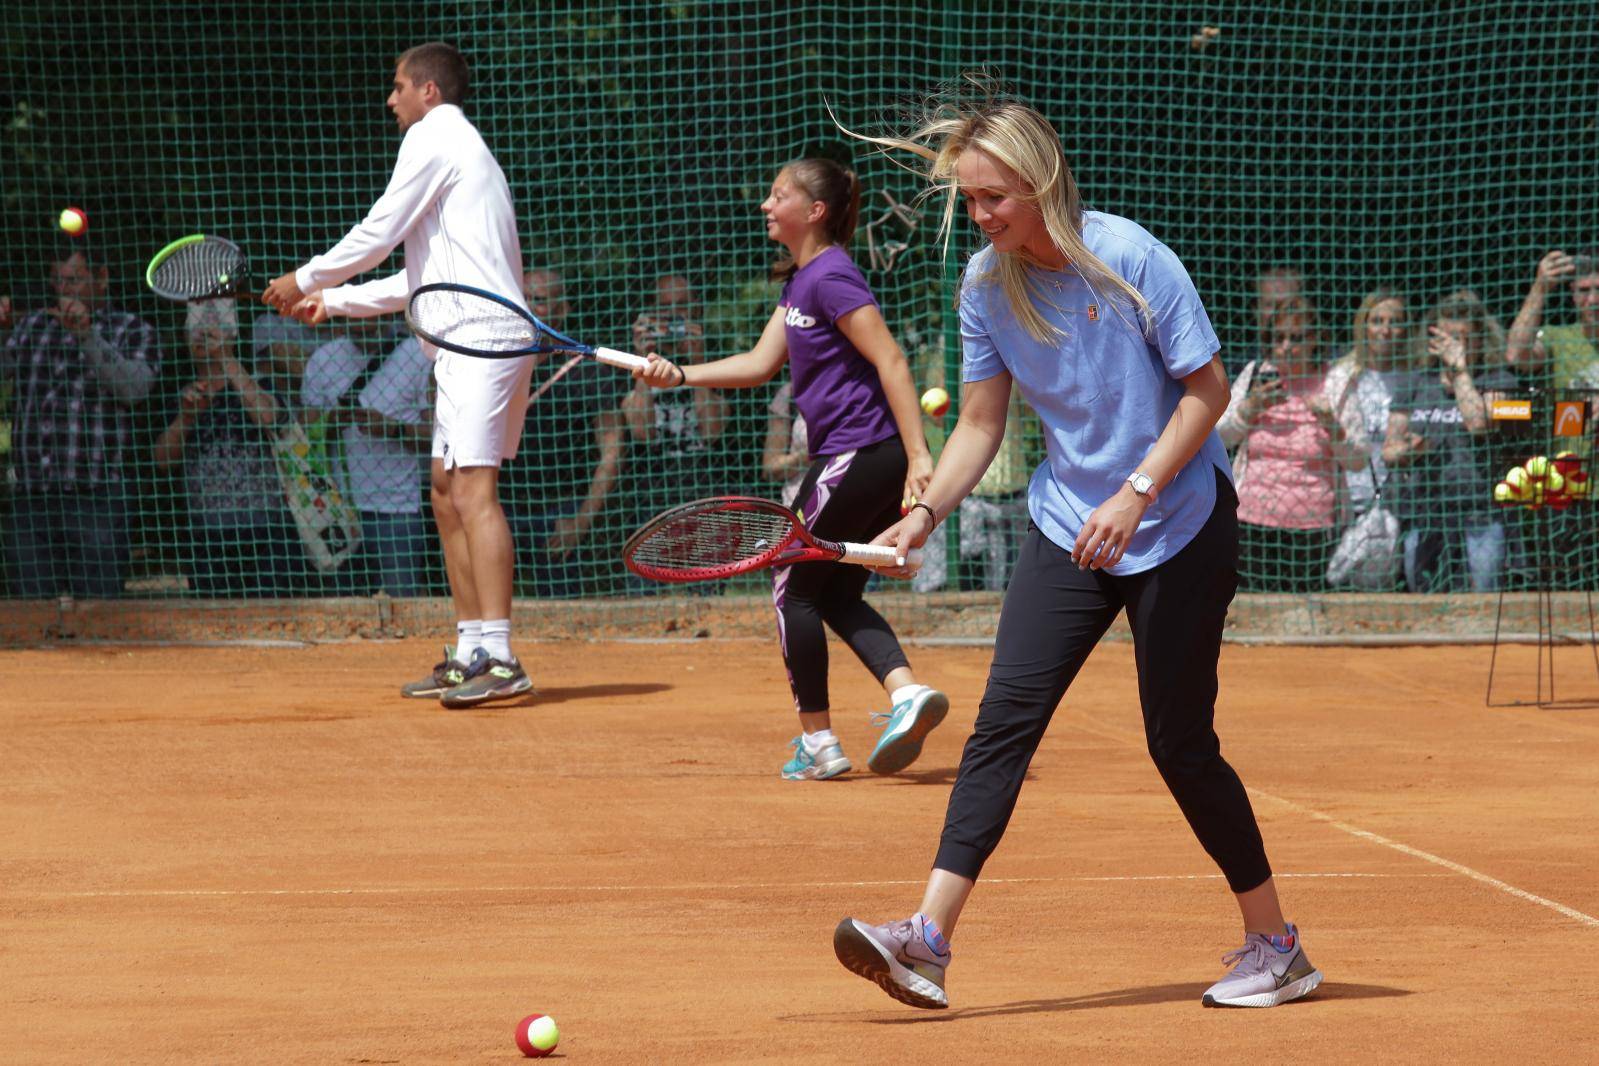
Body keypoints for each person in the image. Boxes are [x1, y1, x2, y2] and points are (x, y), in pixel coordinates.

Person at [830, 90, 1323, 1011]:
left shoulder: (1131, 258)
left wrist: (1136, 493)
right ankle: (927, 940)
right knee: (1003, 721)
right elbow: (979, 424)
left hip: (1176, 522)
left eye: (993, 199)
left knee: (1179, 743)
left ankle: (1276, 946)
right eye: (970, 202)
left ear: (1039, 180)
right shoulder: (986, 283)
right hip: (1068, 524)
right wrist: (926, 511)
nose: (980, 217)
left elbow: (1205, 394)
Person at [632, 157, 948, 780]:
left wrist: (918, 455)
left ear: (815, 211)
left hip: (861, 451)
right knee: (832, 592)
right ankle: (906, 692)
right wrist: (679, 372)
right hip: (858, 454)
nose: (766, 206)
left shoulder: (832, 275)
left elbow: (892, 361)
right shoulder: (801, 281)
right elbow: (757, 364)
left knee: (787, 579)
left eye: (779, 196)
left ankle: (821, 744)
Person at [261, 41, 534, 707]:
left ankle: (499, 656)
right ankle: (471, 645)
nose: (391, 99)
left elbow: (378, 232)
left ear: (428, 92)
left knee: (472, 491)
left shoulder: (435, 136)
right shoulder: (456, 153)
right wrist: (335, 301)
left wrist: (304, 277)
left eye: (397, 86)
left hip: (481, 338)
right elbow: (415, 278)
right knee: (444, 491)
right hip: (467, 336)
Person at [3, 248, 159, 598]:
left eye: (73, 279)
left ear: (101, 278)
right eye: (57, 280)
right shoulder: (33, 325)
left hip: (97, 497)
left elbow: (134, 389)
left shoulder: (131, 328)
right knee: (33, 613)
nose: (63, 288)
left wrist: (87, 335)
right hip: (32, 498)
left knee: (101, 614)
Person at [1217, 296, 1366, 592]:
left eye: (1296, 338)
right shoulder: (1256, 373)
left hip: (1314, 523)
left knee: (1303, 606)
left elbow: (1358, 460)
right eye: (1279, 337)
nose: (1286, 346)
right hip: (1252, 517)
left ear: (1315, 340)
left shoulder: (1335, 382)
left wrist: (1331, 425)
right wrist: (1250, 409)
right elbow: (1219, 438)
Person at [153, 300, 296, 596]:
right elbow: (162, 460)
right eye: (197, 335)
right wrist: (187, 417)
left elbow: (270, 418)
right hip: (206, 531)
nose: (204, 340)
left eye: (213, 336)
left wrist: (227, 359)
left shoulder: (258, 383)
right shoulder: (180, 394)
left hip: (266, 528)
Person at [1384, 290, 1518, 592]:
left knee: (1484, 598)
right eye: (1444, 336)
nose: (1450, 344)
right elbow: (1389, 452)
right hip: (1427, 514)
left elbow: (1479, 424)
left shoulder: (1500, 380)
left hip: (1481, 514)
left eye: (1460, 337)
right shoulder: (1416, 381)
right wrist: (1411, 449)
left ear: (1480, 339)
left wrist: (1459, 372)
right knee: (1423, 594)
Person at [508, 268, 629, 598]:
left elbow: (612, 451)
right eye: (525, 298)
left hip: (561, 512)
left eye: (541, 301)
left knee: (560, 604)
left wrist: (580, 520)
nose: (530, 307)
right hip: (501, 506)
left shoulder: (586, 368)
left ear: (564, 308)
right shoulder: (497, 362)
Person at [300, 322, 434, 596]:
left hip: (398, 510)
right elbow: (303, 440)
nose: (364, 324)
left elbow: (441, 435)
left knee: (402, 605)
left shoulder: (416, 355)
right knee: (341, 609)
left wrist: (393, 428)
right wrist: (332, 421)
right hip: (337, 511)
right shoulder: (324, 359)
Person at [621, 274, 728, 524]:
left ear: (696, 309)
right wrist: (641, 359)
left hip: (707, 482)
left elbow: (712, 430)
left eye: (680, 306)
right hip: (651, 488)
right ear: (651, 313)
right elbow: (641, 432)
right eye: (663, 308)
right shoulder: (631, 363)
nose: (672, 316)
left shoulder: (719, 358)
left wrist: (697, 358)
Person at [1505, 250, 1599, 388]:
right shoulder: (1557, 338)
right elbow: (1515, 355)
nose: (1593, 300)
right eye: (1583, 290)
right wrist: (1540, 288)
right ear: (1573, 293)